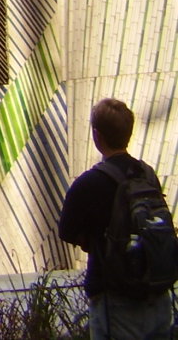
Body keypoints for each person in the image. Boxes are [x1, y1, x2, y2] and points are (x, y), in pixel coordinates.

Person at [59, 98, 175, 340]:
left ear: (97, 136)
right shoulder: (146, 175)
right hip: (156, 292)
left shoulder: (88, 183)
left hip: (115, 298)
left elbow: (66, 230)